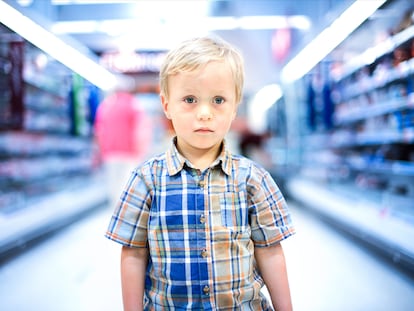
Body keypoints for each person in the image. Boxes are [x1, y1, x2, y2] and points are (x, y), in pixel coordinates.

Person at [105, 36, 295, 310]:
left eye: (218, 100)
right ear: (167, 104)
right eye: (190, 99)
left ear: (235, 105)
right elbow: (133, 254)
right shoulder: (145, 181)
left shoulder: (254, 179)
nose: (204, 113)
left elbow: (271, 251)